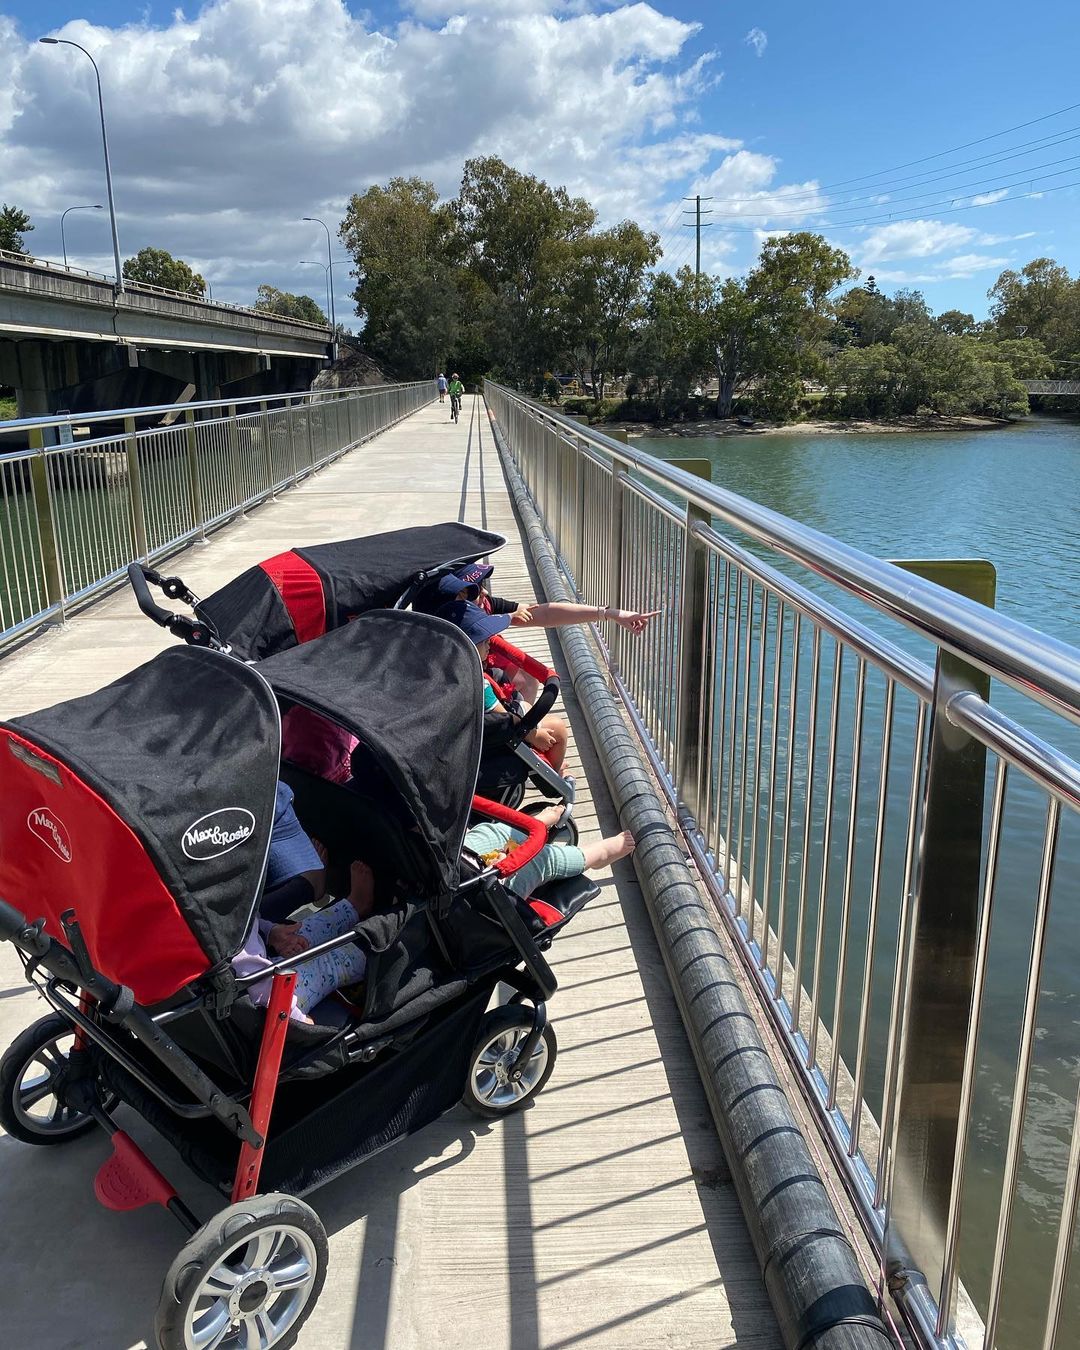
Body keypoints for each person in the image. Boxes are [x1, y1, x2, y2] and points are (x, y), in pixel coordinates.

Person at [233, 781, 377, 1023]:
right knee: (326, 965)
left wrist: (270, 932)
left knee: (299, 934)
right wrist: (298, 1020)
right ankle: (371, 952)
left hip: (239, 969)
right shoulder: (227, 921)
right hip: (258, 1004)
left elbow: (242, 928)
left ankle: (353, 906)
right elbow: (258, 985)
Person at [438, 598, 569, 772]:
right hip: (493, 746)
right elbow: (506, 719)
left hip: (467, 741)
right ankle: (554, 773)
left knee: (525, 706)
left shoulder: (444, 674)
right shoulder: (478, 684)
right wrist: (533, 735)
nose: (489, 643)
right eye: (484, 641)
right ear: (466, 647)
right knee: (558, 729)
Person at [466, 801, 635, 900]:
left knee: (491, 831)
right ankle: (597, 854)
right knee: (541, 860)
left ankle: (531, 827)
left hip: (456, 862)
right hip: (471, 895)